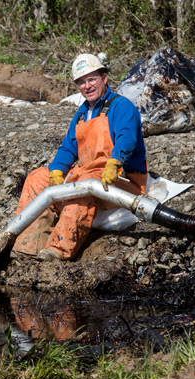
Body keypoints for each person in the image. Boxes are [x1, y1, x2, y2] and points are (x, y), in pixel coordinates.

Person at [11, 53, 147, 261]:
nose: (87, 86)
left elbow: (127, 139)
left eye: (91, 79)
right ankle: (26, 247)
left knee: (82, 184)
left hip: (120, 179)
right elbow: (68, 147)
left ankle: (58, 250)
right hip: (88, 173)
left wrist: (115, 162)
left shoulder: (122, 106)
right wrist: (57, 170)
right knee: (37, 177)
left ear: (104, 78)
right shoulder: (83, 112)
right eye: (81, 82)